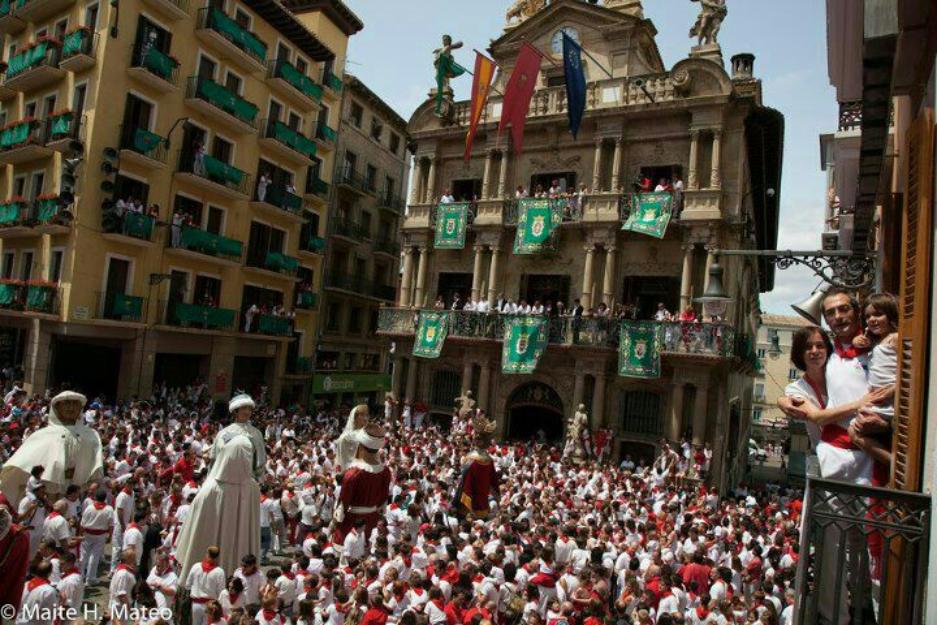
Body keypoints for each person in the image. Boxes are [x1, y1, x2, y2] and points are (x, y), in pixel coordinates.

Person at [174, 394, 264, 577]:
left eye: (249, 409)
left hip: (246, 485)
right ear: (235, 412)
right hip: (219, 481)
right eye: (243, 409)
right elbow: (215, 459)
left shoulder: (256, 434)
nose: (247, 412)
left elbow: (259, 464)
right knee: (200, 502)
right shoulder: (223, 433)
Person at [0, 390, 102, 508]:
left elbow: (95, 465)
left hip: (78, 489)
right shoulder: (43, 434)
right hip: (50, 489)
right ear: (57, 407)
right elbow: (25, 460)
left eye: (75, 403)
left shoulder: (90, 435)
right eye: (67, 403)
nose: (71, 407)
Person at [848, 292, 897, 468]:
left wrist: (894, 389)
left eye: (878, 314)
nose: (872, 320)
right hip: (878, 400)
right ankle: (891, 460)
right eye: (868, 316)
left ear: (891, 314)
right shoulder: (878, 342)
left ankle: (893, 462)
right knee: (855, 430)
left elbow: (912, 370)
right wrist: (859, 340)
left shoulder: (895, 338)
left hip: (888, 400)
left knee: (855, 430)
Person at [332, 423, 392, 545]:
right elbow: (383, 500)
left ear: (361, 445)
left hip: (352, 523)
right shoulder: (386, 471)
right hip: (374, 522)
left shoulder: (353, 474)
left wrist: (335, 522)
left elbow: (343, 504)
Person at [453, 413, 499, 519]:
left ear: (478, 441)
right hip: (483, 505)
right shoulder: (489, 459)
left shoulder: (471, 458)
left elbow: (464, 480)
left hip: (469, 507)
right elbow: (493, 481)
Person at [186, 546, 228, 625]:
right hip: (210, 606)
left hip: (196, 605)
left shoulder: (196, 566)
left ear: (207, 554)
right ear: (217, 557)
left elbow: (187, 585)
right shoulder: (220, 572)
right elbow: (221, 591)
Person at [335, 404, 369, 474]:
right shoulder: (345, 438)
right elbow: (342, 462)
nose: (365, 418)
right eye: (362, 415)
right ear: (355, 417)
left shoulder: (368, 436)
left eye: (366, 415)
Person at [108, 548, 137, 625]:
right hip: (120, 607)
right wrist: (129, 609)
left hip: (120, 606)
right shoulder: (123, 573)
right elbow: (121, 594)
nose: (135, 559)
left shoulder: (123, 570)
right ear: (129, 558)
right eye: (134, 557)